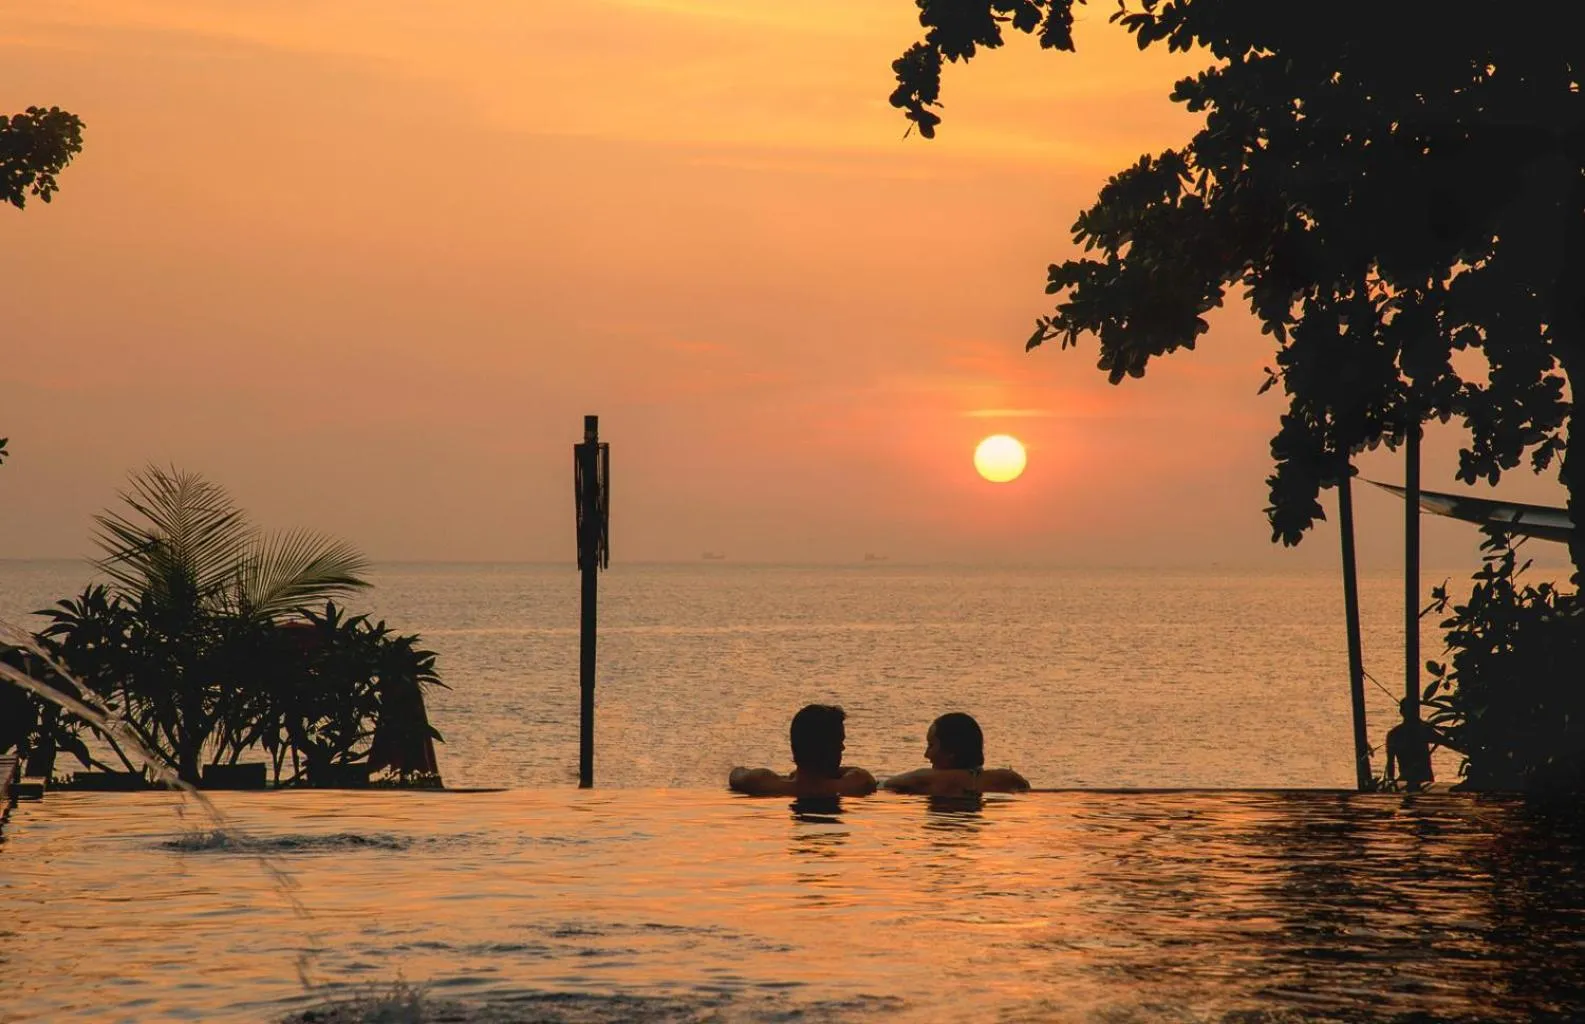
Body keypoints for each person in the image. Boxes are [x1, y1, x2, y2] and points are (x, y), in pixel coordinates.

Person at [728, 703, 878, 797]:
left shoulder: (764, 784)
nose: (842, 748)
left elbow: (736, 774)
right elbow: (862, 775)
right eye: (839, 742)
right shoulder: (852, 785)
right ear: (830, 750)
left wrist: (798, 773)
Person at [883, 712, 1029, 796]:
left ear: (950, 752)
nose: (926, 755)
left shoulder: (927, 779)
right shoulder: (1007, 778)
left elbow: (887, 784)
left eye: (931, 745)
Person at [1384, 698, 1443, 791]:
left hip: (1419, 779)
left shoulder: (1394, 733)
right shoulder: (1423, 730)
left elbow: (1390, 762)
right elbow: (1390, 762)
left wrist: (1390, 780)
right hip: (1418, 779)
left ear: (1401, 712)